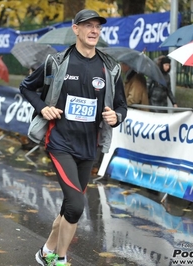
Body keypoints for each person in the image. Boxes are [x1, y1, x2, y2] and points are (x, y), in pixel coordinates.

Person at [19, 9, 127, 266]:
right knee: (77, 206)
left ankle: (46, 251)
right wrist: (42, 107)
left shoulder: (110, 67)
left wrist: (117, 117)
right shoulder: (56, 62)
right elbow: (26, 87)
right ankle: (60, 259)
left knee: (70, 205)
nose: (93, 31)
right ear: (75, 29)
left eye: (97, 27)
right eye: (87, 25)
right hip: (60, 142)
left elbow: (122, 105)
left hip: (90, 147)